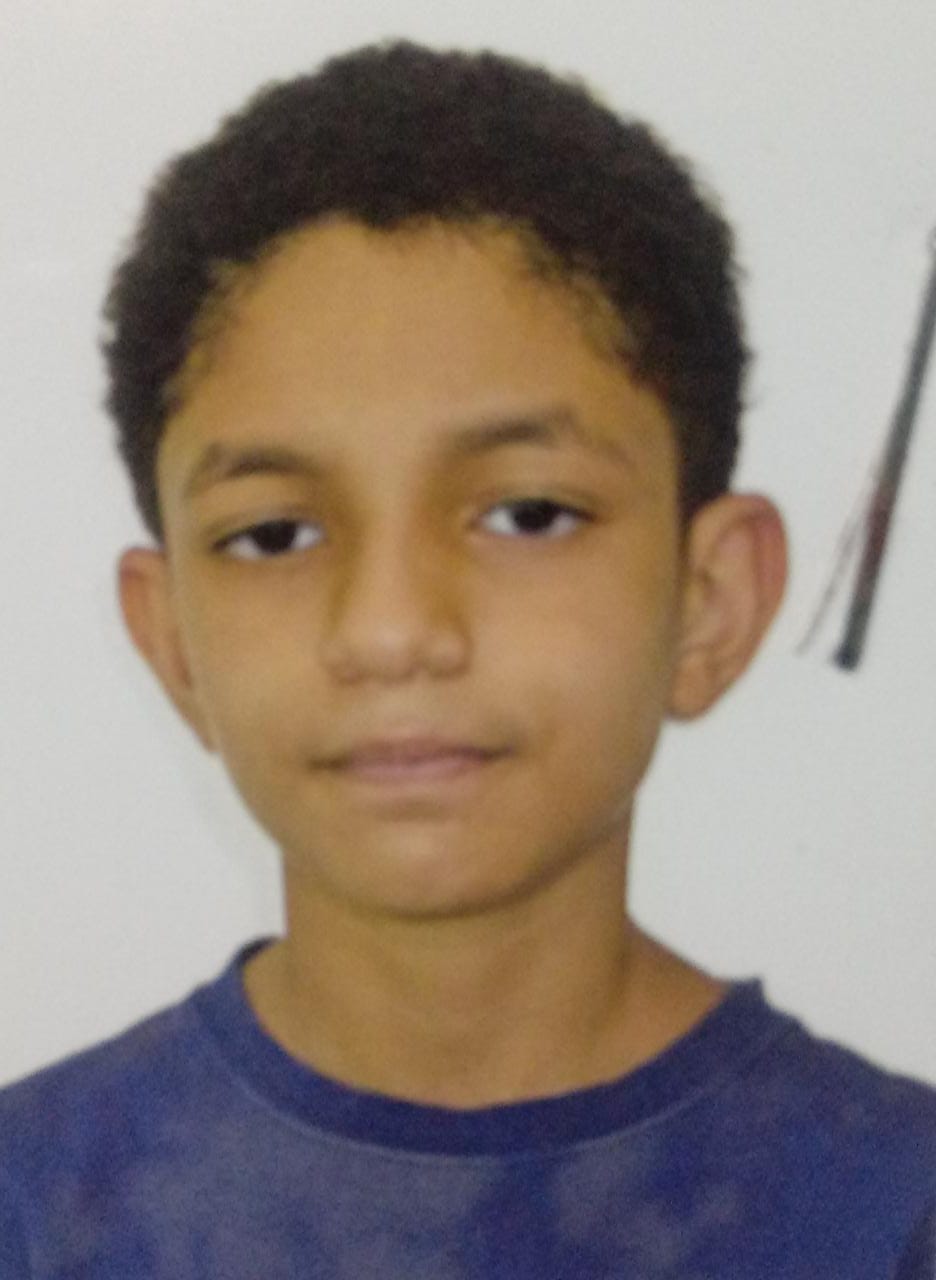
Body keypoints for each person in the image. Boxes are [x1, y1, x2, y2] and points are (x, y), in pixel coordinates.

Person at [1, 39, 933, 1278]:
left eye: (528, 513)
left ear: (709, 603)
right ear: (172, 640)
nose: (391, 629)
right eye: (274, 534)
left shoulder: (892, 1211)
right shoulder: (36, 1208)